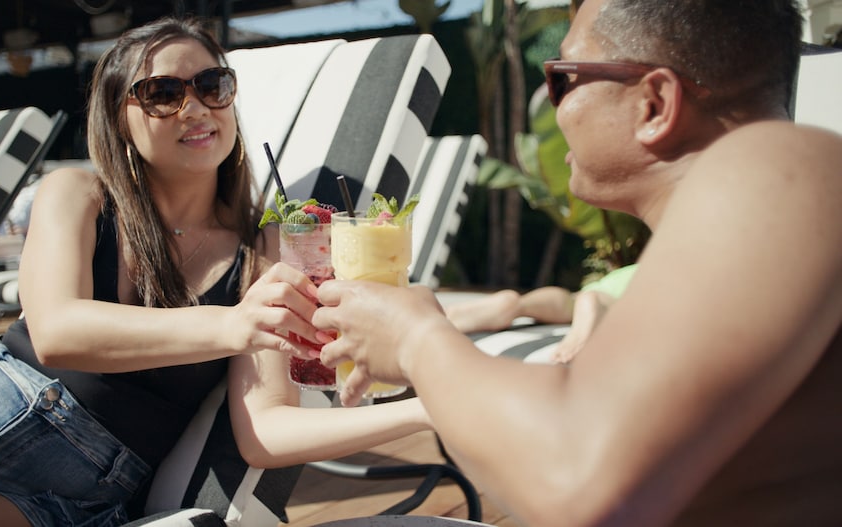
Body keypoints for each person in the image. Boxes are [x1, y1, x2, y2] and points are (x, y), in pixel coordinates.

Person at [0, 17, 432, 526]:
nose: (195, 107)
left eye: (211, 85)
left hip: (61, 499)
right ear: (120, 118)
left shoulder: (264, 254)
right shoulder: (79, 194)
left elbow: (266, 431)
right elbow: (55, 331)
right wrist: (234, 324)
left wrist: (434, 404)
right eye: (162, 93)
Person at [313, 0, 842, 524]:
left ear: (654, 103)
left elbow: (578, 483)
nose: (549, 102)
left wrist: (414, 339)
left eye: (563, 77)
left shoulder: (779, 164)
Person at [445, 264, 637, 363]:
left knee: (570, 300)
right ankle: (593, 306)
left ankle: (520, 305)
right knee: (606, 301)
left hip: (622, 276)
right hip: (638, 285)